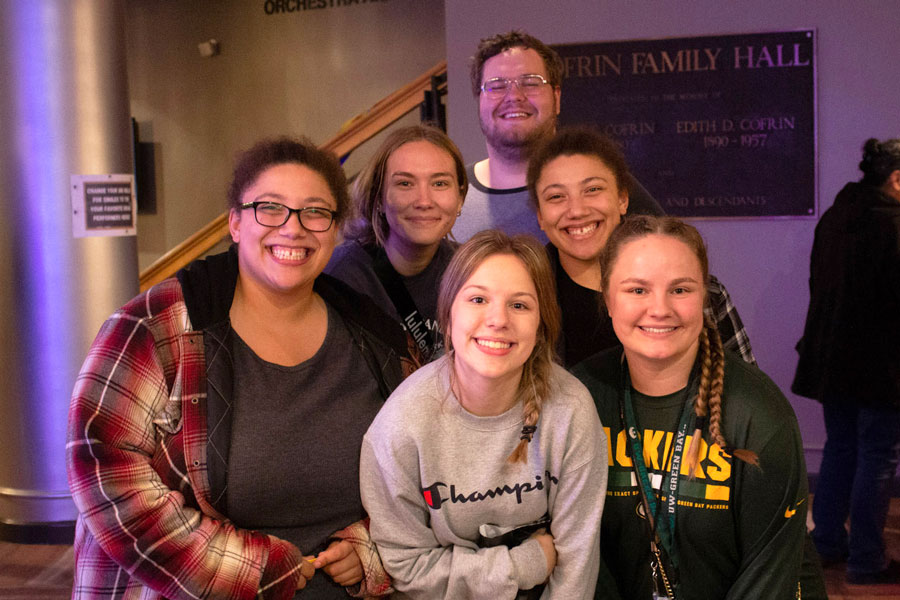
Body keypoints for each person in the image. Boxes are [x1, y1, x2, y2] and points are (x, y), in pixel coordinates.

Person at [67, 137, 416, 599]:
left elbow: (423, 470)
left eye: (315, 212)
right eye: (270, 208)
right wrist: (255, 572)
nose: (293, 228)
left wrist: (371, 548)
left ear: (333, 230)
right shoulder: (156, 326)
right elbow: (106, 473)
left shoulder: (376, 338)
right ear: (234, 223)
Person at [360, 230, 607, 598]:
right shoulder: (400, 426)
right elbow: (408, 568)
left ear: (541, 326)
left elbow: (577, 565)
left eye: (519, 305)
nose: (498, 320)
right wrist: (525, 564)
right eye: (478, 299)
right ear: (447, 315)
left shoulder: (571, 409)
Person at [574, 215, 809, 599]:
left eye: (680, 289)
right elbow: (575, 555)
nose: (659, 308)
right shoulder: (580, 396)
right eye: (637, 290)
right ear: (607, 298)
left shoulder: (759, 412)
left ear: (705, 297)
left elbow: (769, 575)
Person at [526, 126, 754, 368]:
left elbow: (747, 392)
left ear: (623, 199)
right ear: (540, 216)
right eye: (556, 197)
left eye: (592, 190)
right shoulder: (525, 298)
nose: (577, 210)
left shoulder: (702, 293)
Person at [793, 137, 900, 585]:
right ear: (896, 178)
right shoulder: (892, 225)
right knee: (877, 456)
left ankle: (829, 545)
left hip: (833, 360)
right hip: (881, 364)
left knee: (841, 449)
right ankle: (867, 559)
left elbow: (820, 284)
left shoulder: (837, 217)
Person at [452, 30, 663, 244]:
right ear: (479, 101)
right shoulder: (451, 192)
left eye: (531, 83)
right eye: (497, 86)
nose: (514, 96)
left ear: (557, 96)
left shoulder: (605, 185)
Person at [326, 124, 466, 361]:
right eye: (405, 183)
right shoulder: (343, 276)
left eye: (440, 183)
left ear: (460, 198)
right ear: (378, 197)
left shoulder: (468, 270)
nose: (424, 201)